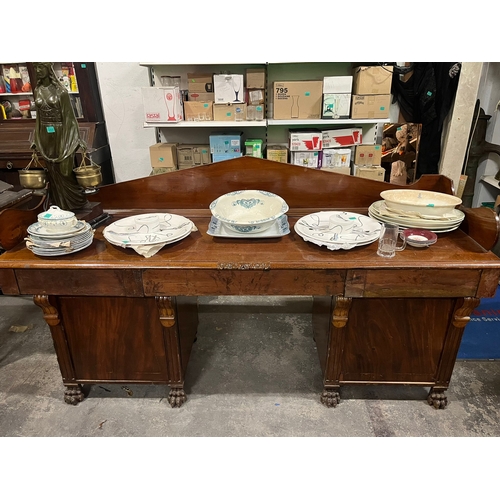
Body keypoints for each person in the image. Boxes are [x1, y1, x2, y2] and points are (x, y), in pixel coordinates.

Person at [32, 62, 88, 210]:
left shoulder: (60, 92)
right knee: (52, 171)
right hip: (45, 133)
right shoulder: (37, 90)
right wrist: (35, 138)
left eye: (40, 67)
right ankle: (59, 206)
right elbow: (38, 118)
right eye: (36, 67)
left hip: (61, 133)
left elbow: (69, 118)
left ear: (48, 69)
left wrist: (74, 138)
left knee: (65, 171)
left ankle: (75, 203)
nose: (38, 71)